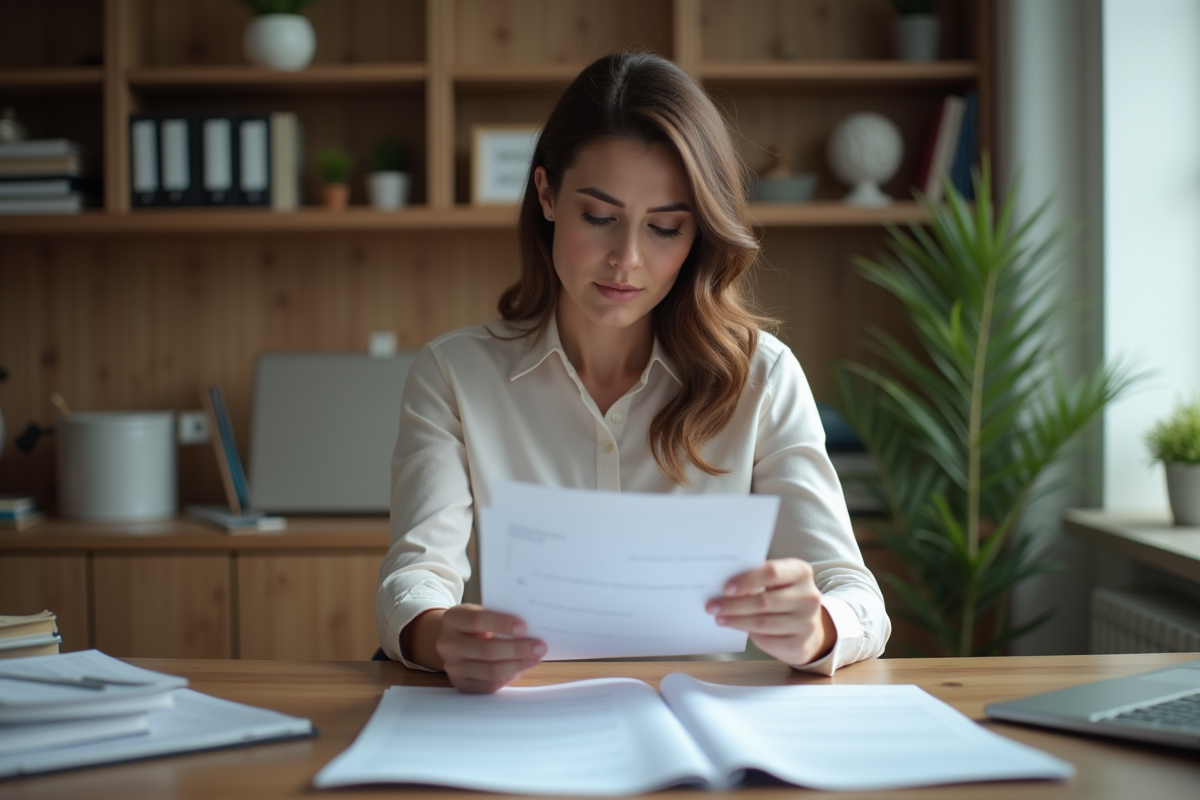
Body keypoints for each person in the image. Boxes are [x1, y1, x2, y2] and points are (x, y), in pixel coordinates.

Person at [376, 51, 890, 693]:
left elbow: (856, 596)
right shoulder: (454, 374)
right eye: (599, 217)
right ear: (546, 195)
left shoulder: (761, 377)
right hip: (521, 718)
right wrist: (437, 632)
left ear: (698, 233)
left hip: (710, 729)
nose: (627, 259)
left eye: (666, 228)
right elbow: (414, 578)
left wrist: (816, 627)